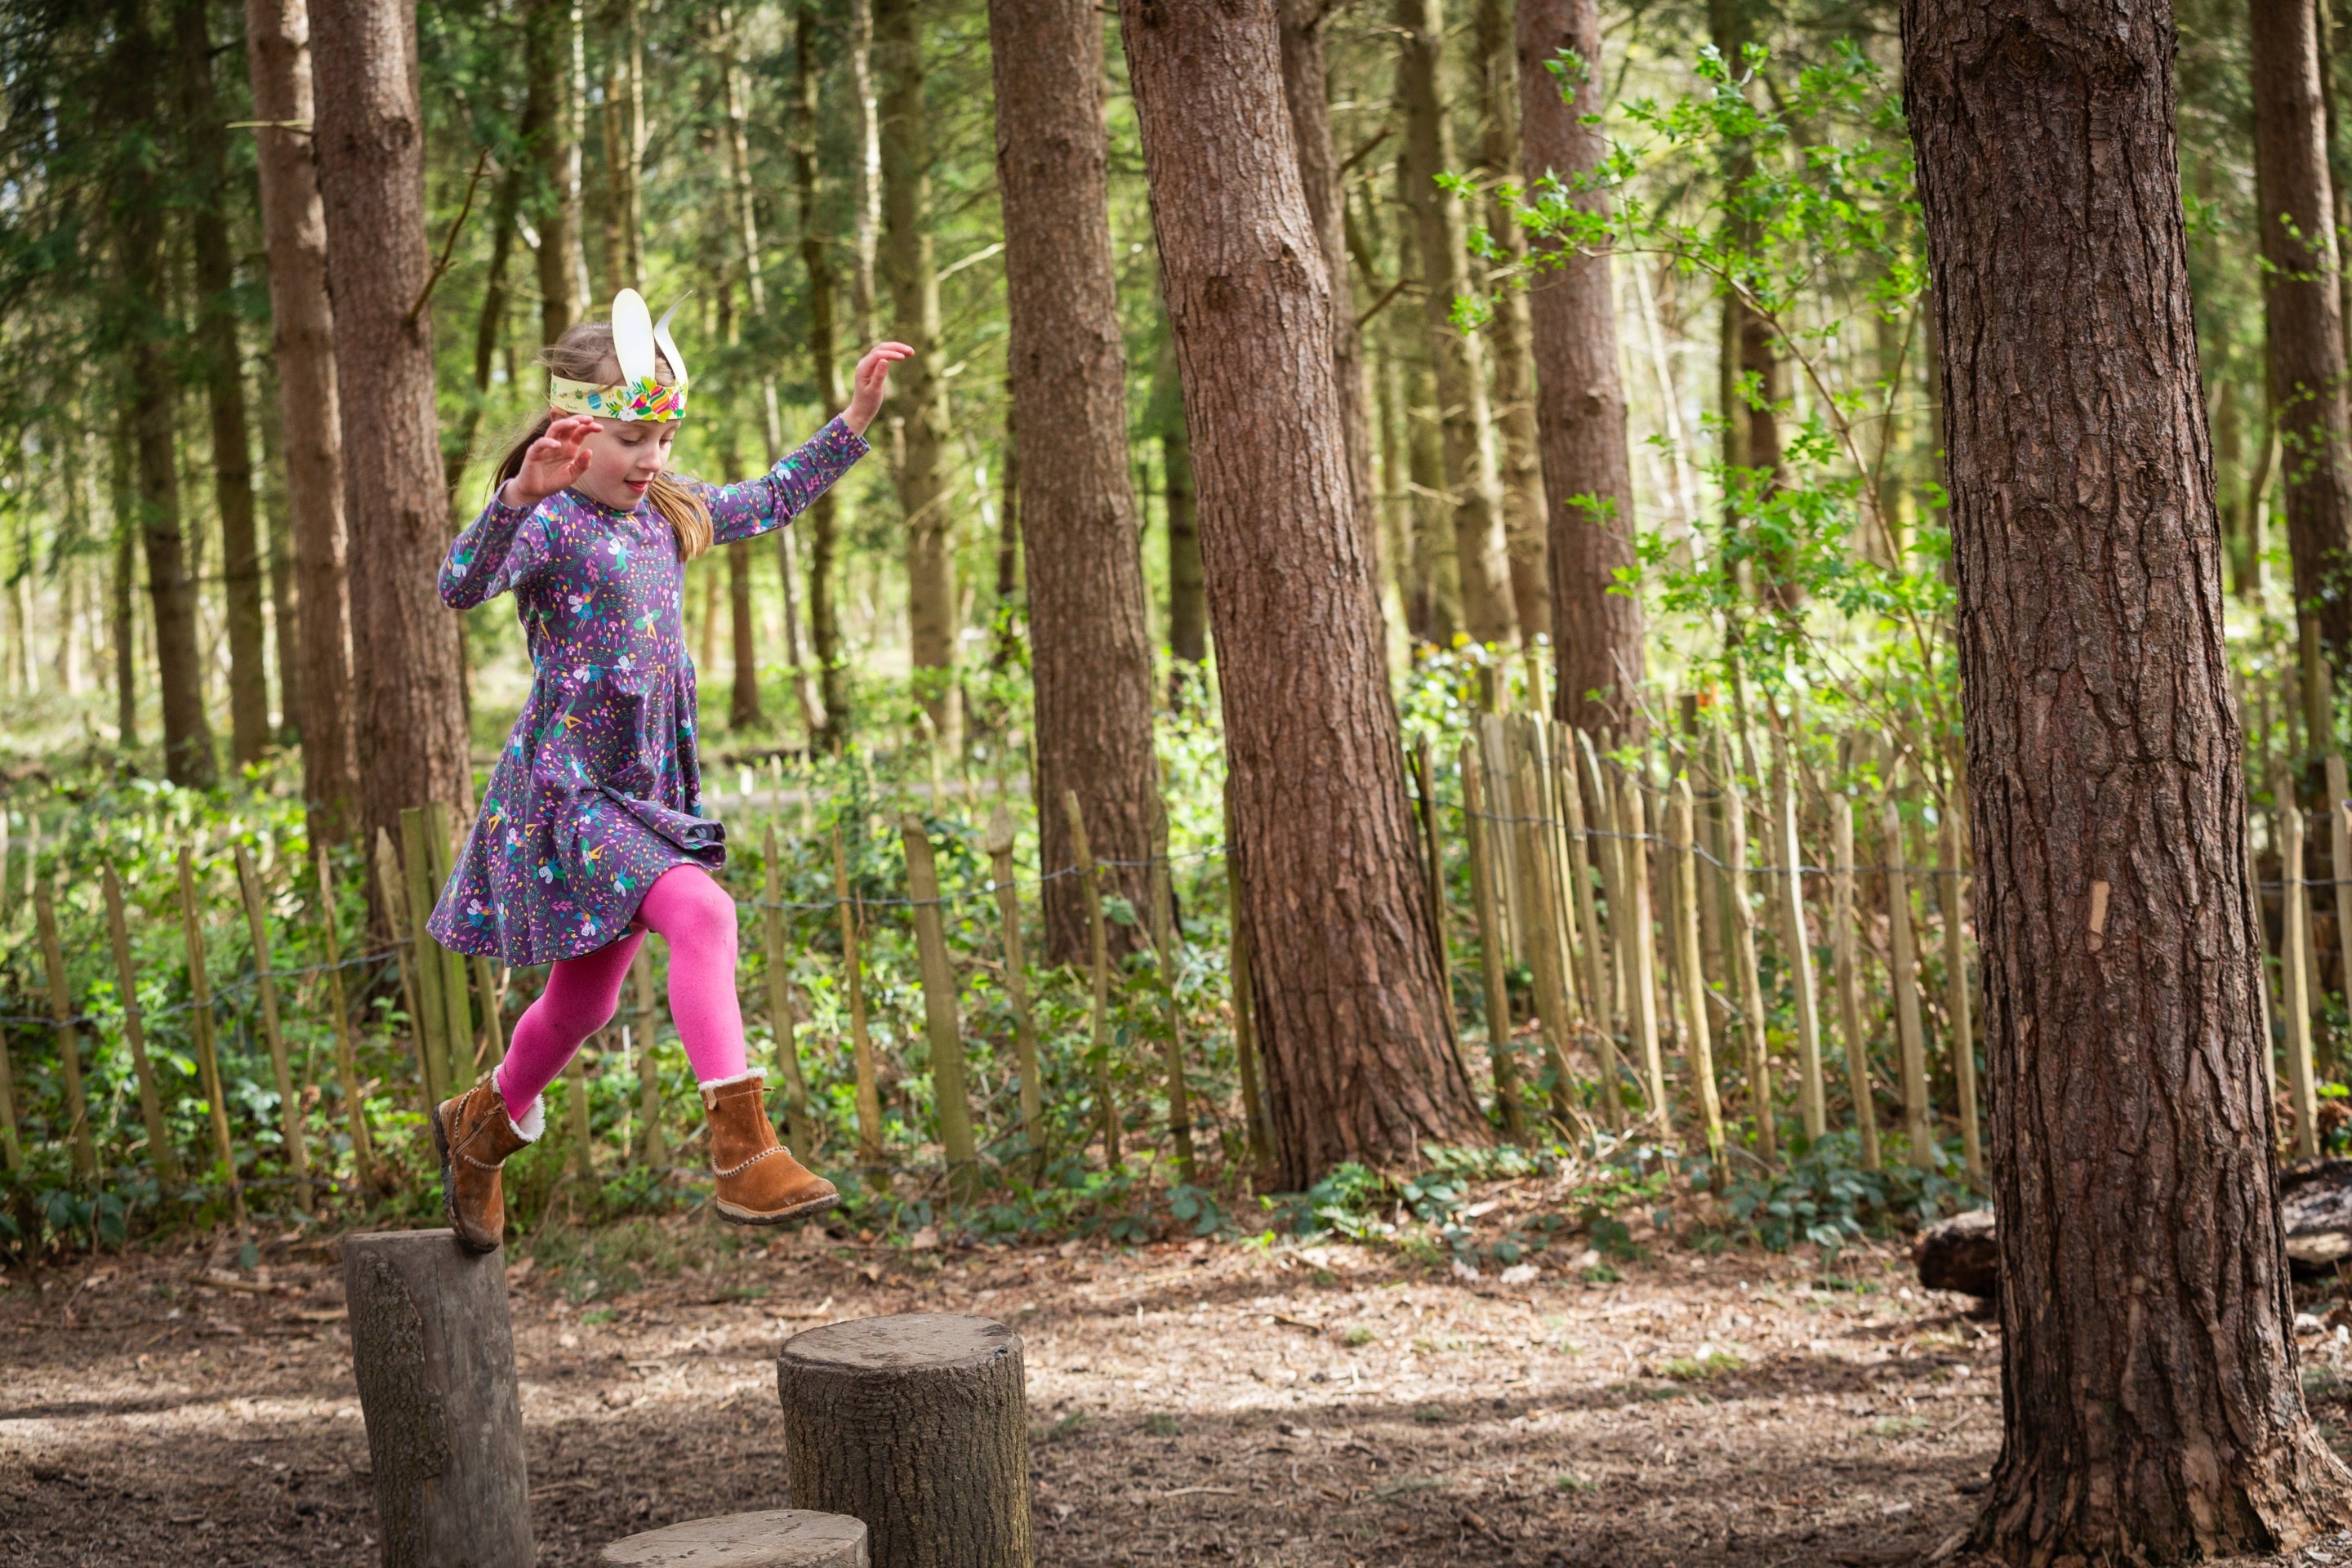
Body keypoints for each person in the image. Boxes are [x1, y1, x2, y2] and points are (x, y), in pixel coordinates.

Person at [425, 287, 911, 1252]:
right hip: (569, 789)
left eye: (664, 439)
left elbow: (769, 498)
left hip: (642, 792)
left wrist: (851, 423)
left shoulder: (668, 514)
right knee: (704, 912)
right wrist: (516, 495)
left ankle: (477, 1129)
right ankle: (742, 1149)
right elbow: (459, 585)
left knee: (585, 1002)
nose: (651, 460)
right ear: (576, 435)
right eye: (631, 440)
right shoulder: (552, 521)